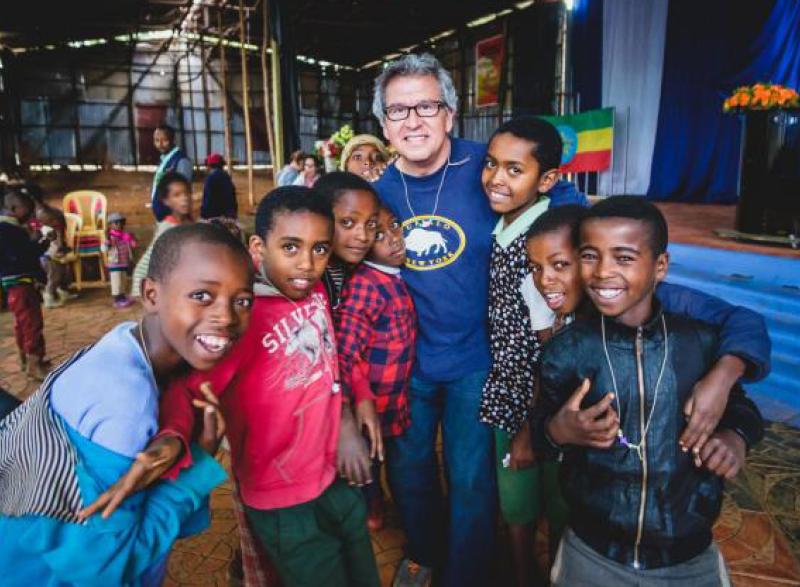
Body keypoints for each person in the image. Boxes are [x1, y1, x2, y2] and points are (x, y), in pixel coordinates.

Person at [371, 53, 773, 587]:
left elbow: (570, 216)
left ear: (450, 114)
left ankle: (465, 575)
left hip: (479, 364)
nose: (413, 120)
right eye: (398, 111)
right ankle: (424, 551)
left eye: (426, 105)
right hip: (408, 365)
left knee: (473, 480)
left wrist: (590, 271)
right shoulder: (374, 193)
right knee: (411, 468)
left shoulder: (489, 165)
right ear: (383, 124)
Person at [0, 223, 254, 586]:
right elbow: (108, 567)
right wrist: (200, 460)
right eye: (202, 295)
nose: (227, 317)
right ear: (151, 294)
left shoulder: (124, 342)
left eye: (242, 300)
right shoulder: (126, 407)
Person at [151, 187, 380, 587]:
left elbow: (327, 361)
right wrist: (172, 434)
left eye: (320, 250)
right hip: (282, 499)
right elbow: (185, 390)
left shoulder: (317, 291)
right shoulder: (239, 319)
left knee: (363, 573)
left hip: (334, 476)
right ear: (259, 246)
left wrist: (344, 416)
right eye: (291, 247)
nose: (307, 264)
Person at [533, 196, 764, 586]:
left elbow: (743, 409)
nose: (603, 272)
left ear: (660, 266)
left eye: (623, 258)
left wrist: (735, 436)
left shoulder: (699, 342)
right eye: (590, 256)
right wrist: (558, 430)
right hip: (592, 549)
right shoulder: (567, 350)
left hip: (688, 553)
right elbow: (540, 431)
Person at [475, 116, 564, 587]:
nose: (495, 177)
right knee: (517, 499)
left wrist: (530, 423)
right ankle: (521, 571)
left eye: (514, 169)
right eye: (491, 164)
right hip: (508, 387)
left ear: (546, 179)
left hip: (535, 396)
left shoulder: (541, 243)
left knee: (550, 495)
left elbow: (548, 342)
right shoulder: (503, 228)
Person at [335, 204, 416, 531]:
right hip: (370, 402)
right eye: (379, 235)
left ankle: (380, 502)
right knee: (367, 461)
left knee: (383, 458)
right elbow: (345, 351)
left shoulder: (394, 276)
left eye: (395, 226)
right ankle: (370, 506)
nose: (394, 239)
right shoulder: (366, 285)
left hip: (394, 399)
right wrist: (349, 407)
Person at [0, 190, 50, 381]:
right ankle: (34, 364)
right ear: (14, 208)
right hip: (21, 284)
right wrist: (43, 242)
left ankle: (26, 360)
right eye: (26, 211)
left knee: (22, 323)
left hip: (14, 284)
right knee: (32, 323)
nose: (29, 215)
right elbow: (26, 254)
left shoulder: (8, 230)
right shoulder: (9, 230)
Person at [314, 171, 380, 309]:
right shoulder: (308, 278)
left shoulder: (367, 272)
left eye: (371, 224)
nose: (363, 236)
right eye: (347, 222)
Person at [132, 172, 194, 298]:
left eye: (186, 193)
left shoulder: (190, 224)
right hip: (147, 281)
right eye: (177, 195)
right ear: (166, 201)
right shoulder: (168, 228)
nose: (184, 198)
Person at [150, 123, 193, 221]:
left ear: (172, 140)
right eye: (156, 140)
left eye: (164, 140)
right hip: (164, 216)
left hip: (173, 218)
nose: (160, 144)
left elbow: (182, 191)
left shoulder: (181, 161)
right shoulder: (165, 160)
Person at [105, 212, 138, 309]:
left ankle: (122, 296)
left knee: (123, 280)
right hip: (115, 263)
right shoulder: (110, 236)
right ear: (110, 225)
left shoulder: (125, 236)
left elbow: (133, 245)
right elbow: (106, 247)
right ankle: (117, 299)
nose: (118, 225)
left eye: (120, 223)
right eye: (115, 223)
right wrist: (108, 243)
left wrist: (131, 240)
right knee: (116, 281)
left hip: (123, 262)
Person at [201, 152, 238, 221]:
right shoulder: (227, 177)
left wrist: (204, 215)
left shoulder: (210, 179)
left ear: (209, 166)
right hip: (229, 216)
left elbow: (208, 199)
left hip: (214, 217)